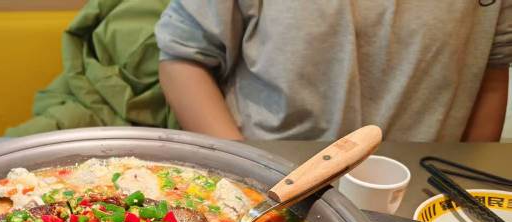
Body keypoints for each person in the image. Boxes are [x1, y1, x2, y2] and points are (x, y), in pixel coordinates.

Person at [155, 0, 511, 141]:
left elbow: (492, 71)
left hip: (421, 183)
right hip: (273, 168)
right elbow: (183, 56)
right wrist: (243, 169)